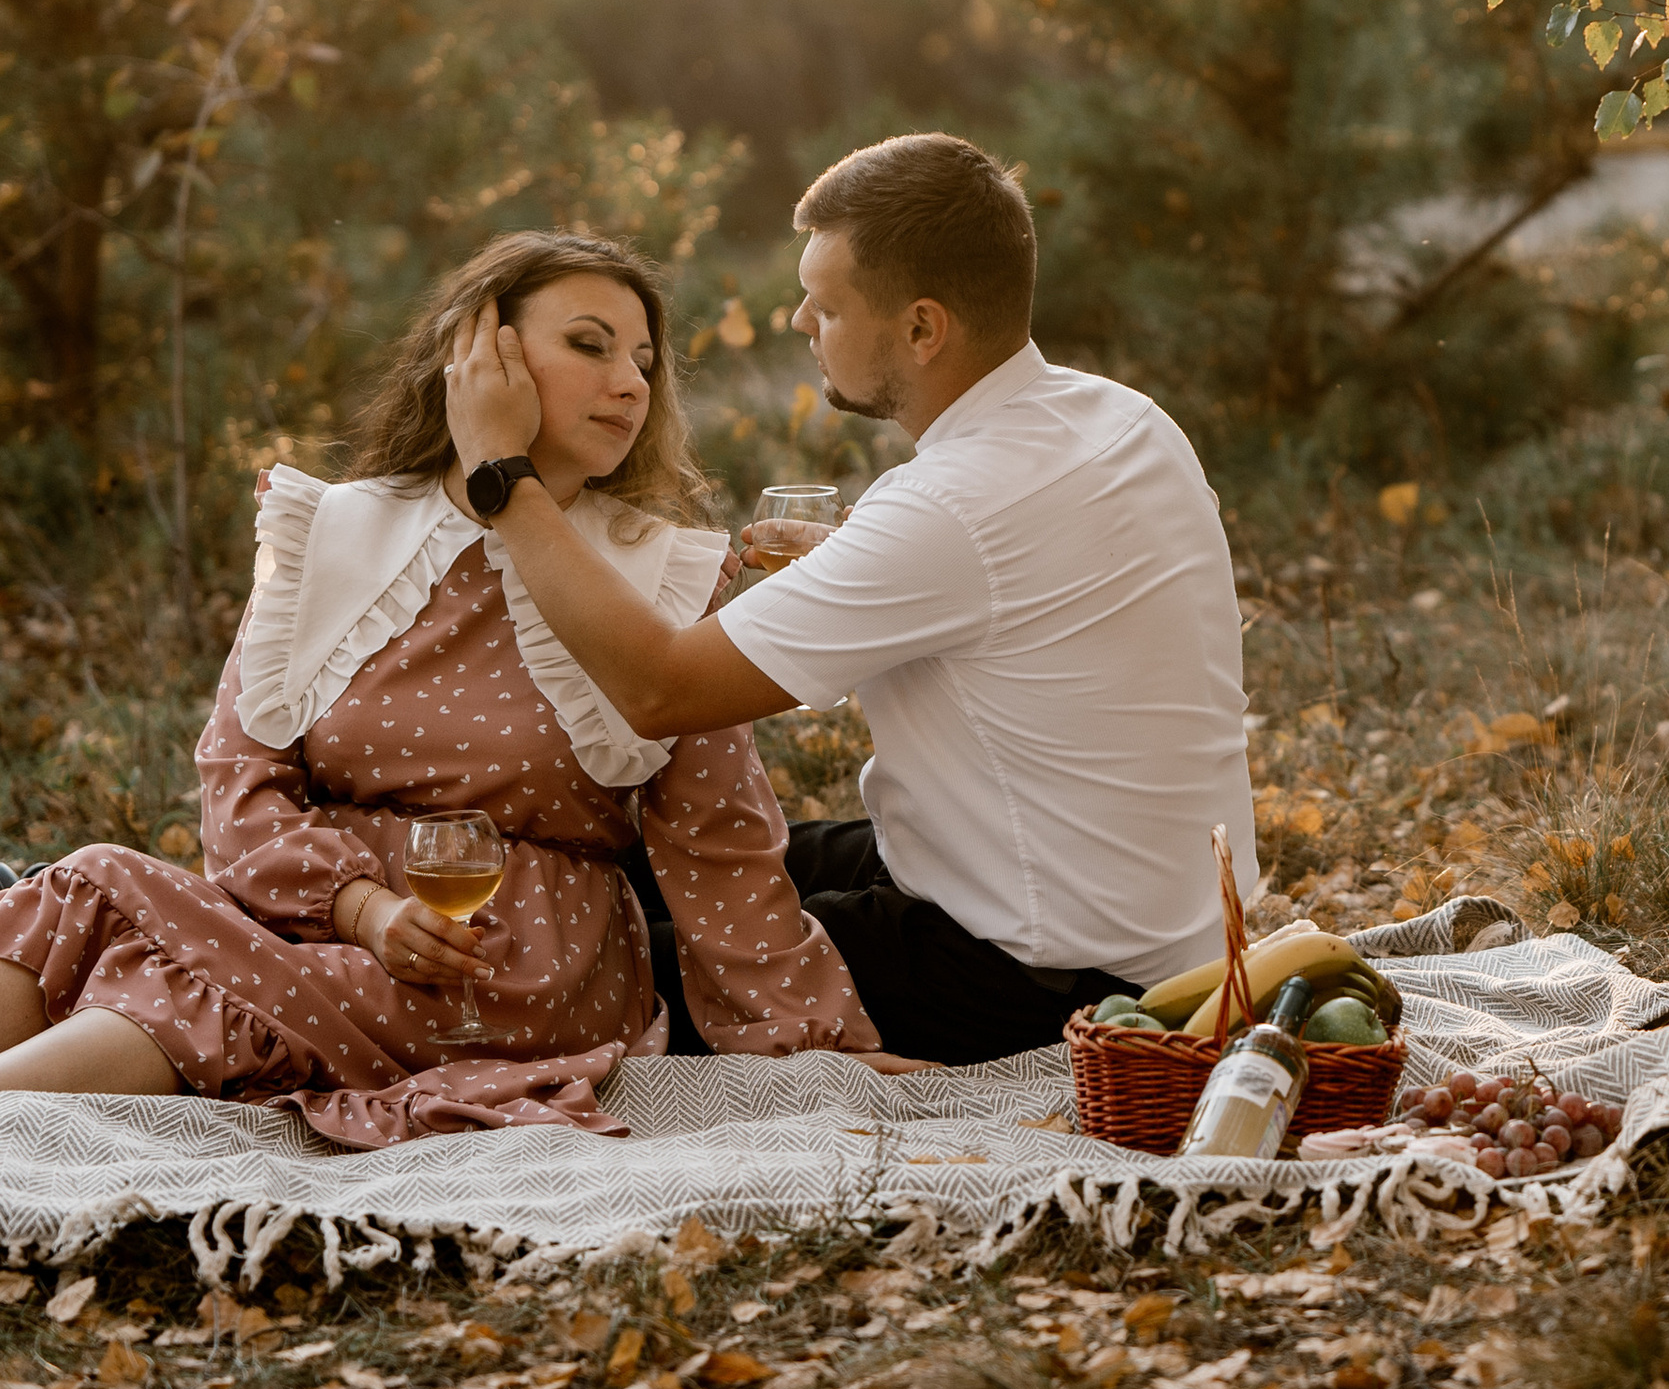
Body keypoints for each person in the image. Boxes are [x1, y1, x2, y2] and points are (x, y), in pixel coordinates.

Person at [0, 232, 887, 1142]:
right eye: (591, 345)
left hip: (509, 968)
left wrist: (810, 1042)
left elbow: (718, 842)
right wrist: (362, 908)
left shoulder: (658, 575)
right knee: (86, 883)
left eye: (644, 361)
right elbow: (241, 778)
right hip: (312, 923)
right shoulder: (331, 534)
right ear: (476, 353)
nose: (631, 382)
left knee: (180, 987)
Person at [446, 132, 1260, 1067]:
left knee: (575, 964)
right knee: (617, 869)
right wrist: (863, 575)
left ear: (921, 329)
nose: (798, 321)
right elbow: (1026, 602)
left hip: (1045, 975)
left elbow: (660, 690)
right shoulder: (1120, 417)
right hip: (1143, 914)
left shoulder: (950, 507)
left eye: (826, 306)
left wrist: (502, 474)